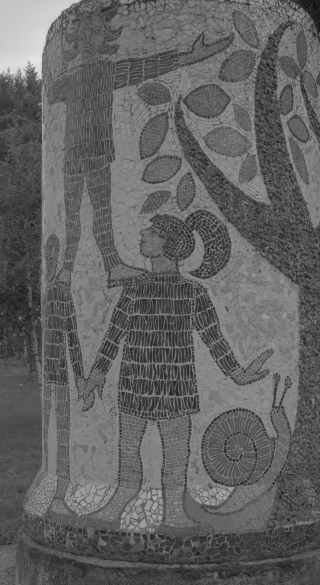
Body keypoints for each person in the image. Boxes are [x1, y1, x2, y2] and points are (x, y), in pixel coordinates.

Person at [81, 210, 272, 532]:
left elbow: (215, 341)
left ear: (170, 244)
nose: (144, 234)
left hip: (176, 385)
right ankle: (120, 499)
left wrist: (239, 374)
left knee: (175, 455)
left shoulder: (193, 292)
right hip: (135, 382)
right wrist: (97, 374)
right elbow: (112, 336)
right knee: (128, 449)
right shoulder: (133, 289)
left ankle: (174, 511)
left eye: (152, 232)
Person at [47, 0, 233, 287]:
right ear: (75, 41)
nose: (88, 40)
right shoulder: (70, 80)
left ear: (104, 37)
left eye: (94, 33)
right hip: (73, 153)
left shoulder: (107, 71)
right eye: (82, 35)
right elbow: (52, 91)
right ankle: (66, 271)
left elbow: (145, 67)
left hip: (98, 151)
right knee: (72, 213)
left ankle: (111, 266)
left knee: (101, 211)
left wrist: (189, 57)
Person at [41, 234, 85, 515]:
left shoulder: (60, 293)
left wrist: (79, 376)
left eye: (53, 257)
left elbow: (74, 338)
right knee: (49, 431)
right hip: (48, 375)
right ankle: (55, 485)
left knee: (62, 432)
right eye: (48, 257)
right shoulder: (46, 294)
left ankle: (62, 486)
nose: (49, 262)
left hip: (60, 375)